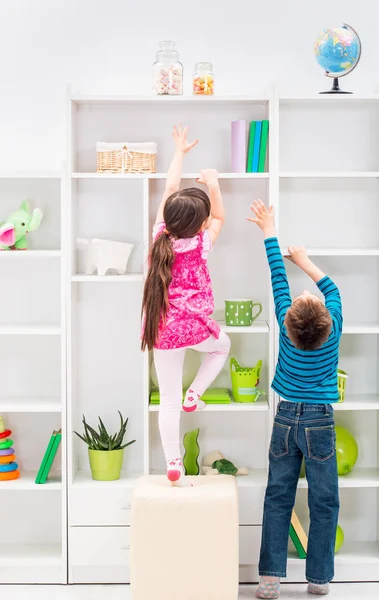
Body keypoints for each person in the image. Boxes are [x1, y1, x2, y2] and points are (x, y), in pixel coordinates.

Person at [247, 200, 342, 597]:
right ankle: (317, 579)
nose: (304, 293)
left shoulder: (287, 330)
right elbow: (330, 288)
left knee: (278, 496)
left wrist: (269, 230)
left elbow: (276, 278)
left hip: (285, 419)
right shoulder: (333, 330)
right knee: (324, 501)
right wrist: (306, 261)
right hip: (320, 420)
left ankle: (269, 580)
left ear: (289, 320)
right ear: (326, 319)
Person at [141, 125, 230, 485]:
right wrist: (213, 183)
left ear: (170, 221)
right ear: (201, 224)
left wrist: (178, 152)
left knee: (167, 400)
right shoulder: (201, 245)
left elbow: (169, 188)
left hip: (163, 330)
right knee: (222, 346)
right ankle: (195, 394)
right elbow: (221, 217)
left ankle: (173, 463)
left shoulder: (159, 238)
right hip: (193, 328)